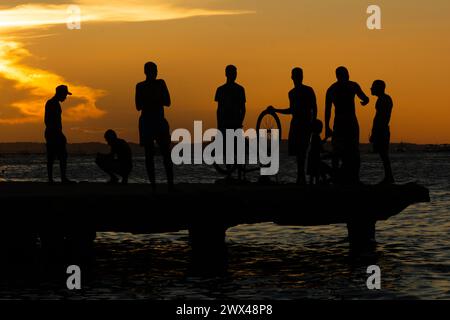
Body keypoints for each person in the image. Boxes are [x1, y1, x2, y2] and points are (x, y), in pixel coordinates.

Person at [269, 67, 317, 185]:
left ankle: (301, 178)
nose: (295, 78)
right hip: (297, 124)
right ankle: (301, 177)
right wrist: (276, 110)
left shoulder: (307, 90)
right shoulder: (292, 93)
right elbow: (292, 110)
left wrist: (312, 123)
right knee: (299, 153)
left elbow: (314, 108)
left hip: (304, 124)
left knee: (302, 152)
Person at [325, 66, 369, 184]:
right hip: (348, 121)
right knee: (352, 150)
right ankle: (352, 177)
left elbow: (327, 110)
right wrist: (365, 101)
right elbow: (365, 98)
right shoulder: (351, 85)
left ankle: (342, 176)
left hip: (341, 122)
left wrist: (326, 126)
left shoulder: (332, 89)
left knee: (339, 150)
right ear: (346, 75)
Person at [135, 62, 174, 191]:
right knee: (150, 155)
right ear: (147, 72)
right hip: (148, 122)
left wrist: (151, 100)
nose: (155, 72)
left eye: (156, 70)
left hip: (157, 121)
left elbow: (168, 102)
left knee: (165, 154)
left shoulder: (160, 83)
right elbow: (138, 106)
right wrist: (155, 99)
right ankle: (155, 186)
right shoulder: (141, 86)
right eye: (153, 70)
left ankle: (169, 185)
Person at [214, 65, 246, 179]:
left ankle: (239, 175)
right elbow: (219, 109)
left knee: (238, 150)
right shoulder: (220, 89)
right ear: (227, 74)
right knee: (228, 150)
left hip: (235, 123)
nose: (234, 75)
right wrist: (219, 125)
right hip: (225, 123)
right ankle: (229, 174)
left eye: (235, 72)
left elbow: (243, 108)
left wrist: (240, 121)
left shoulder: (240, 89)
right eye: (233, 73)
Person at [44, 85, 74, 184]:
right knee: (57, 156)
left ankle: (54, 179)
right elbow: (48, 121)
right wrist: (58, 134)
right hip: (53, 133)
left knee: (56, 156)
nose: (65, 97)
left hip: (53, 133)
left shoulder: (54, 103)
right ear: (60, 94)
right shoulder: (52, 103)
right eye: (65, 95)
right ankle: (57, 179)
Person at [369, 80, 395, 184]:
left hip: (381, 130)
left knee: (384, 155)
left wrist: (374, 133)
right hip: (382, 129)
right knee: (383, 155)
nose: (371, 89)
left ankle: (389, 177)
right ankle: (388, 177)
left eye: (373, 87)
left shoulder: (383, 100)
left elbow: (379, 118)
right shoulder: (385, 99)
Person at [307, 119, 333, 185]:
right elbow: (321, 148)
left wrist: (326, 138)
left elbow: (320, 146)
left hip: (312, 158)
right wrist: (329, 152)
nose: (321, 129)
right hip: (315, 159)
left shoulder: (314, 137)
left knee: (313, 176)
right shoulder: (316, 137)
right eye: (321, 127)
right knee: (317, 174)